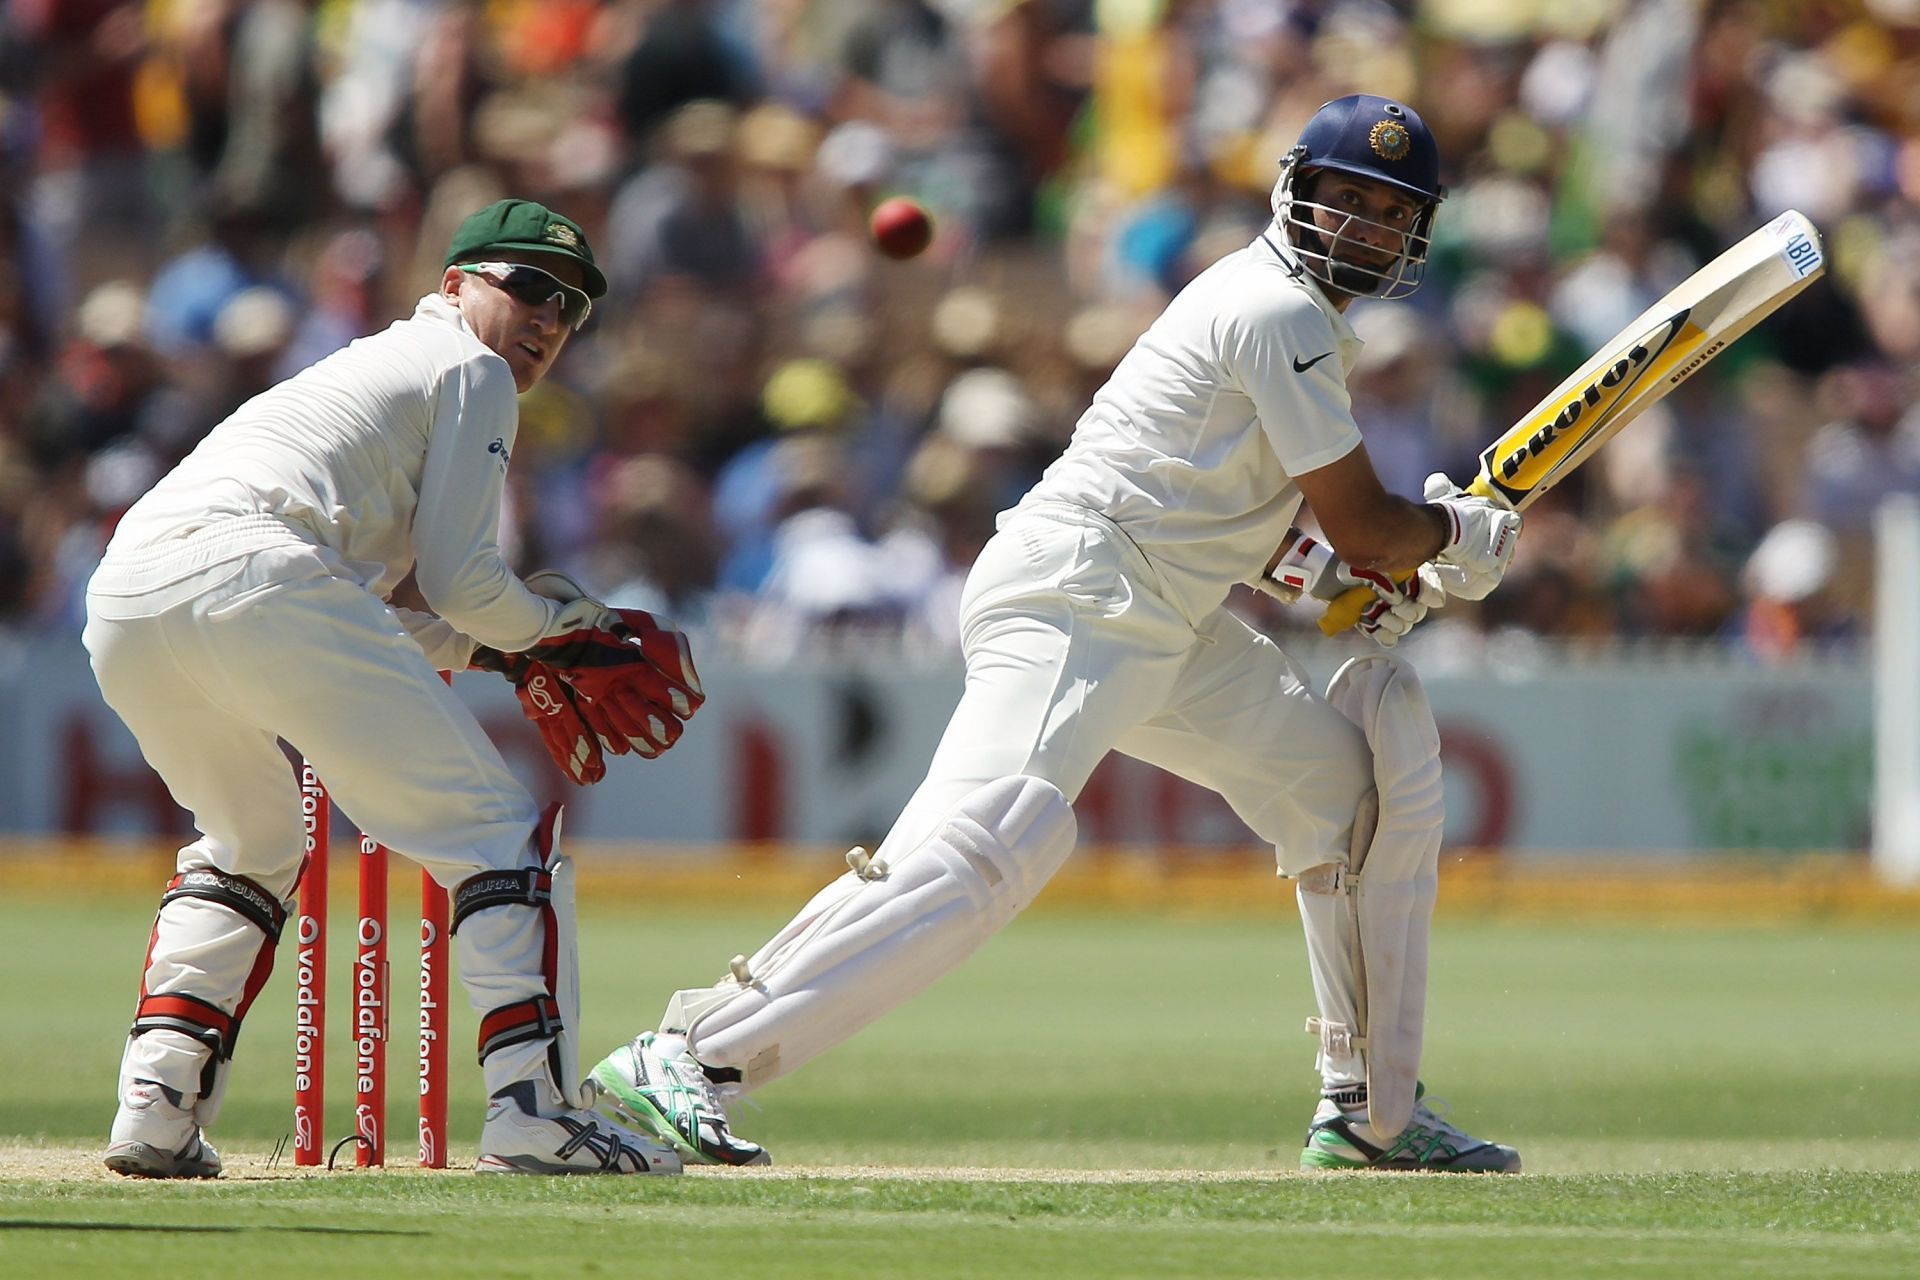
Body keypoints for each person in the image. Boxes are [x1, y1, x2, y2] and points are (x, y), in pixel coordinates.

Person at [591, 95, 1526, 1173]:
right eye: (1343, 199)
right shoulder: (1276, 311)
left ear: (1417, 234)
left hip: (1164, 611)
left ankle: (1369, 1108)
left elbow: (1242, 521)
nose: (1360, 225)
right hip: (1082, 589)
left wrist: (1352, 580)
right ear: (1294, 192)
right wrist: (1454, 533)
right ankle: (688, 1053)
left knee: (1345, 797)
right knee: (995, 835)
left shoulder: (1291, 319)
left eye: (1385, 211)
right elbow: (1366, 520)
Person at [86, 199, 706, 1178]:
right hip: (258, 573)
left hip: (127, 595)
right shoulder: (469, 367)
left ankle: (155, 1109)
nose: (549, 319)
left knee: (250, 842)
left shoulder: (376, 372)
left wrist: (512, 654)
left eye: (573, 308)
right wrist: (565, 631)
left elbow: (376, 611)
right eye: (531, 288)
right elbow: (464, 582)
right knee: (497, 830)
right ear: (455, 283)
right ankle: (534, 1113)